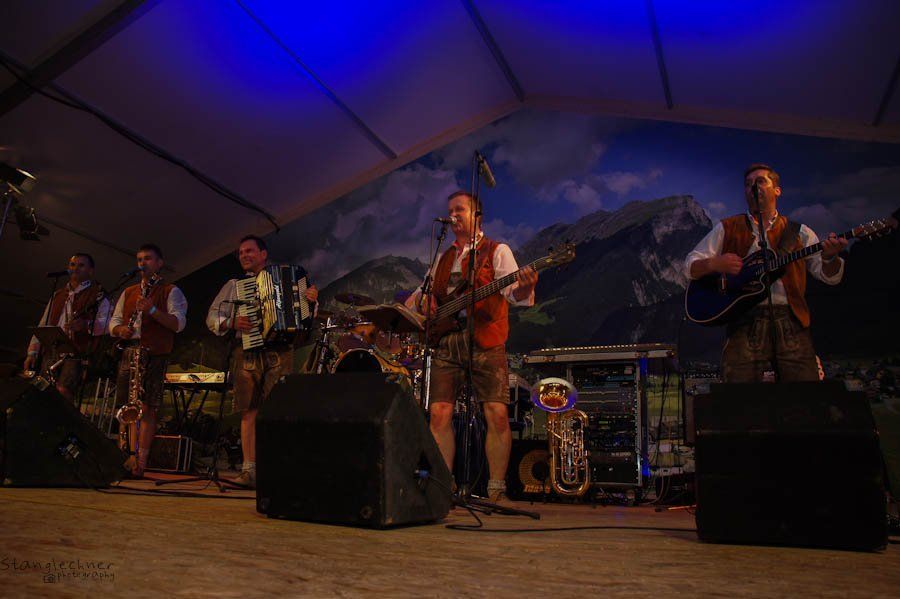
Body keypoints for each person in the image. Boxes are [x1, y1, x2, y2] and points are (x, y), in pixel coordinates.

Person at [406, 190, 537, 502]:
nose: (453, 216)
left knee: (496, 412)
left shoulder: (497, 251)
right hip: (446, 341)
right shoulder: (443, 258)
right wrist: (424, 302)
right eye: (450, 210)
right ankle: (444, 486)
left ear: (477, 216)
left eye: (459, 210)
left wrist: (526, 287)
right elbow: (418, 297)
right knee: (439, 413)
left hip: (486, 340)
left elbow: (514, 294)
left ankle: (496, 489)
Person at [684, 163, 847, 382]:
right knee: (738, 391)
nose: (754, 187)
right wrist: (714, 263)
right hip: (744, 320)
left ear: (777, 190)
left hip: (791, 321)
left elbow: (829, 276)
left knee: (805, 391)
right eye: (748, 184)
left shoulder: (800, 233)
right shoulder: (727, 228)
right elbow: (689, 267)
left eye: (760, 181)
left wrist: (830, 257)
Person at [206, 235, 319, 489]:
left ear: (263, 254)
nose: (244, 256)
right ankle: (249, 470)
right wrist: (231, 322)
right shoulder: (235, 285)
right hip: (247, 351)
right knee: (249, 409)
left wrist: (310, 300)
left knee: (277, 409)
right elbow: (212, 316)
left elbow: (305, 316)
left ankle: (275, 468)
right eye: (241, 253)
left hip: (280, 350)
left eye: (249, 251)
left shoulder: (291, 279)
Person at [109, 244, 188, 477]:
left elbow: (178, 324)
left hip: (154, 354)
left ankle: (140, 461)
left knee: (147, 408)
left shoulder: (171, 290)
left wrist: (152, 310)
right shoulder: (129, 291)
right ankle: (124, 458)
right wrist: (120, 330)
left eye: (148, 259)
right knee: (126, 407)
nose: (142, 263)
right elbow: (113, 322)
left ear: (160, 263)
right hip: (130, 352)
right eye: (140, 259)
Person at [24, 253, 110, 403]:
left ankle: (61, 418)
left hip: (76, 353)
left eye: (81, 265)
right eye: (72, 264)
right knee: (43, 388)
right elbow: (43, 324)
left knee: (63, 391)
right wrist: (32, 353)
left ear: (91, 271)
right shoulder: (58, 295)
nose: (75, 268)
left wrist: (85, 325)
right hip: (52, 350)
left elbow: (107, 325)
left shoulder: (98, 295)